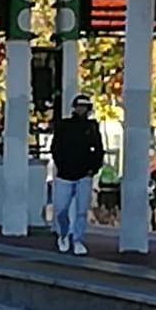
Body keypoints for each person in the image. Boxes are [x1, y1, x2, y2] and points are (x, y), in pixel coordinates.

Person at [49, 92, 104, 255]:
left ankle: (78, 239)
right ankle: (64, 234)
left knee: (81, 211)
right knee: (61, 209)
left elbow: (98, 149)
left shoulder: (92, 127)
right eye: (79, 106)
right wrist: (61, 164)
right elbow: (56, 148)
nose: (82, 110)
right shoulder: (64, 125)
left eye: (85, 107)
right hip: (65, 174)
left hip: (84, 175)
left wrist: (93, 169)